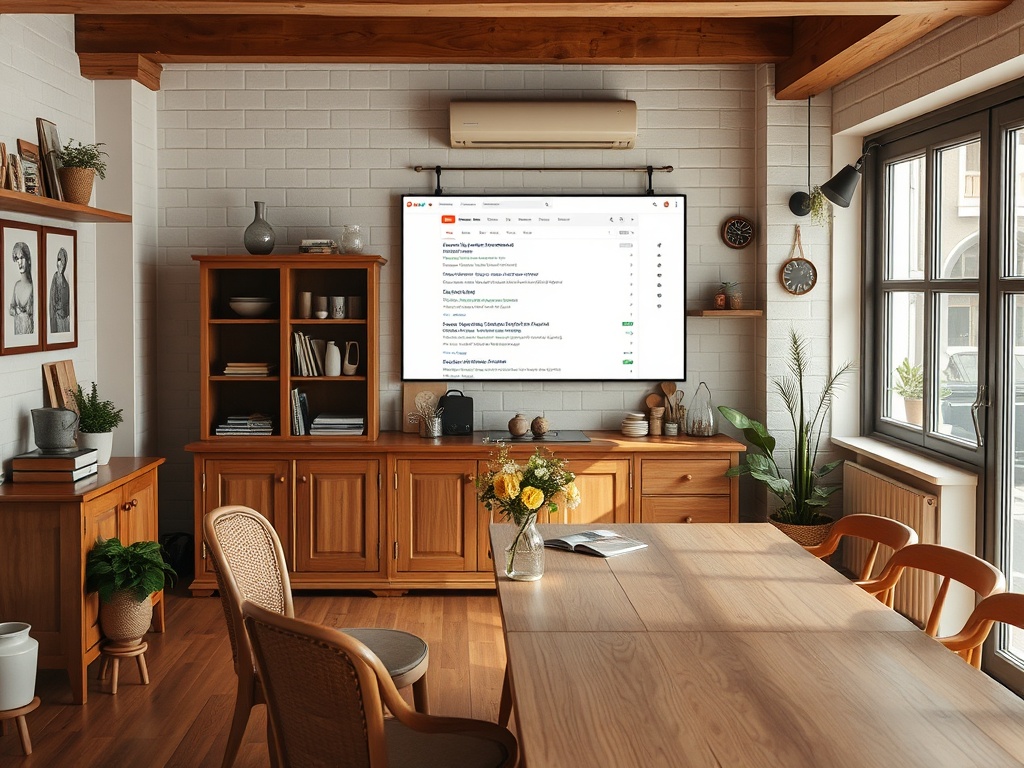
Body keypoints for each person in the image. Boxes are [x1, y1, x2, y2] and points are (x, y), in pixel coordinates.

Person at [9, 241, 33, 335]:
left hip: (31, 337)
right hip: (18, 337)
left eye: (22, 258)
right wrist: (15, 310)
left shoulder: (33, 287)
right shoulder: (16, 286)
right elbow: (11, 308)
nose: (19, 262)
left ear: (28, 260)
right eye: (17, 258)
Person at [49, 246, 70, 333]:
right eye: (59, 260)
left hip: (65, 319)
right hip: (57, 319)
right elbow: (52, 303)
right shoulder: (55, 277)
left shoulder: (66, 281)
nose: (61, 263)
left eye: (63, 260)